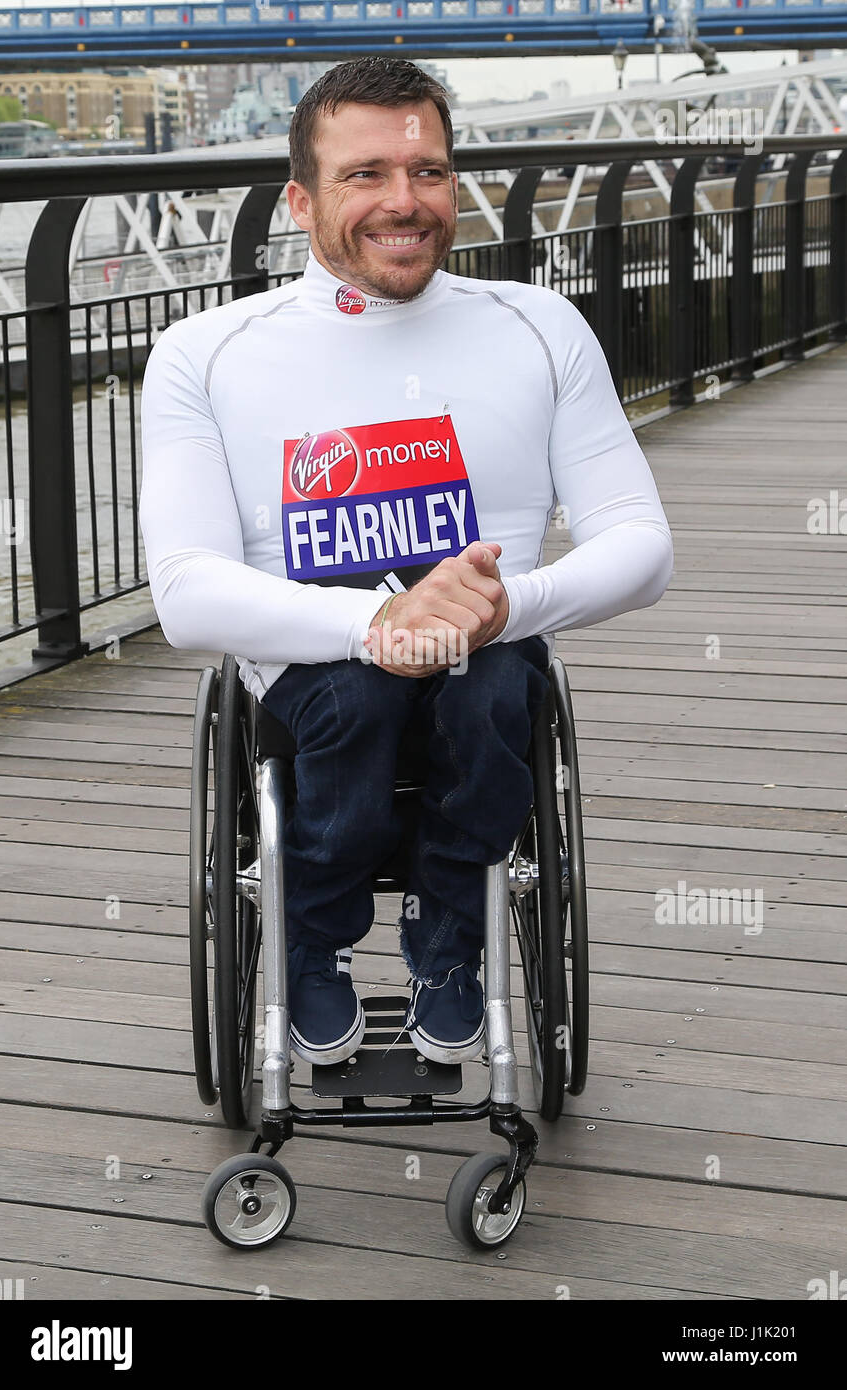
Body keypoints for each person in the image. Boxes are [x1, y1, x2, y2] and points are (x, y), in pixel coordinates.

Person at [139, 56, 673, 1069]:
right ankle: (311, 932)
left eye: (427, 172)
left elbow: (640, 546)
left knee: (484, 698)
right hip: (312, 667)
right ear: (300, 199)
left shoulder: (536, 327)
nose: (403, 201)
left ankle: (449, 937)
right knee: (361, 697)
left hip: (489, 649)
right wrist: (373, 627)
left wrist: (496, 607)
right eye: (365, 174)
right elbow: (185, 593)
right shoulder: (203, 352)